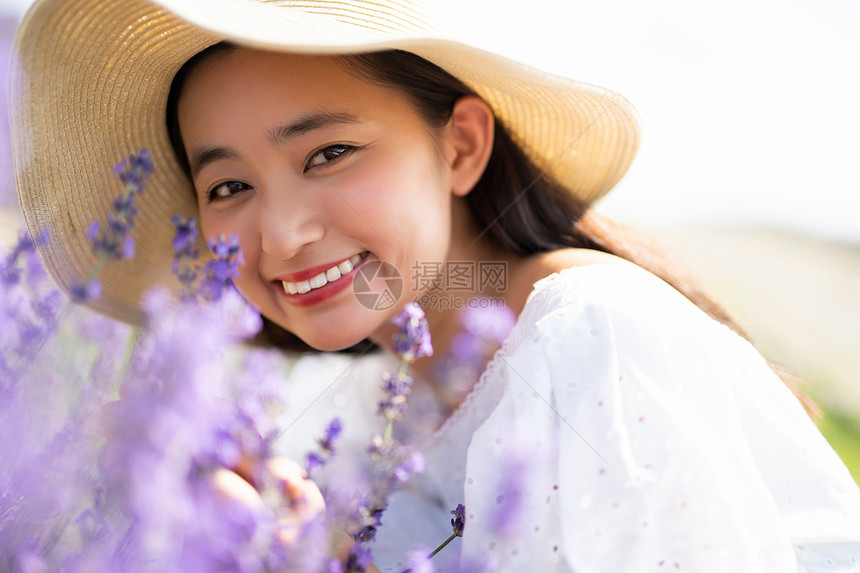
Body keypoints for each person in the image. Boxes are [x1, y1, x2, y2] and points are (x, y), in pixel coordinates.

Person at [11, 0, 860, 571]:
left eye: (328, 154)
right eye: (229, 186)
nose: (281, 232)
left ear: (461, 147)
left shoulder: (587, 338)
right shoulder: (375, 400)